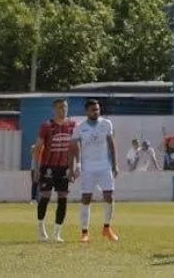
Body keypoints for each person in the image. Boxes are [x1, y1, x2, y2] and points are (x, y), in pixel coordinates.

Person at [70, 99, 119, 243]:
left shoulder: (106, 123)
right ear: (86, 111)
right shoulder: (80, 127)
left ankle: (107, 228)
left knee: (109, 196)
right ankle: (84, 232)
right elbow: (75, 147)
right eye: (93, 110)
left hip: (104, 166)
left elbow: (111, 143)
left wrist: (115, 164)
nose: (96, 112)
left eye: (97, 109)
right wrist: (76, 165)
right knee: (86, 198)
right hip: (88, 168)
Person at [33, 98, 76, 242]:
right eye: (60, 107)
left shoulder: (73, 125)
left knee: (63, 197)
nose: (63, 110)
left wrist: (75, 167)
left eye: (65, 107)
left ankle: (57, 233)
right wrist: (36, 169)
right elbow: (37, 148)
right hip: (48, 167)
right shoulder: (46, 126)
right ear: (54, 109)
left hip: (64, 168)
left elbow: (75, 148)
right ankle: (41, 228)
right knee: (45, 196)